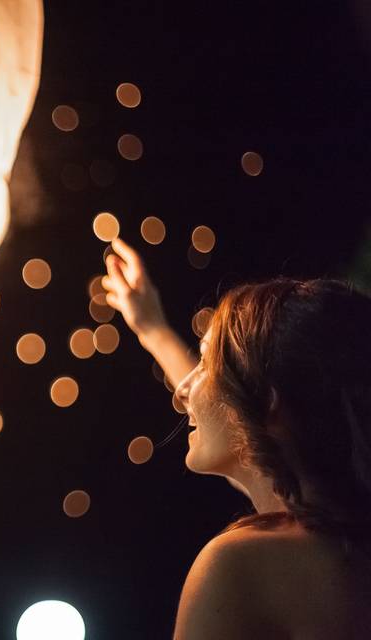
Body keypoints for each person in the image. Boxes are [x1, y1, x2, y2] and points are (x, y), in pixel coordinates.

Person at [103, 237, 371, 638]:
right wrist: (153, 330)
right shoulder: (348, 545)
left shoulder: (240, 563)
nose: (182, 393)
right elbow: (240, 428)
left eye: (208, 362)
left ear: (267, 403)